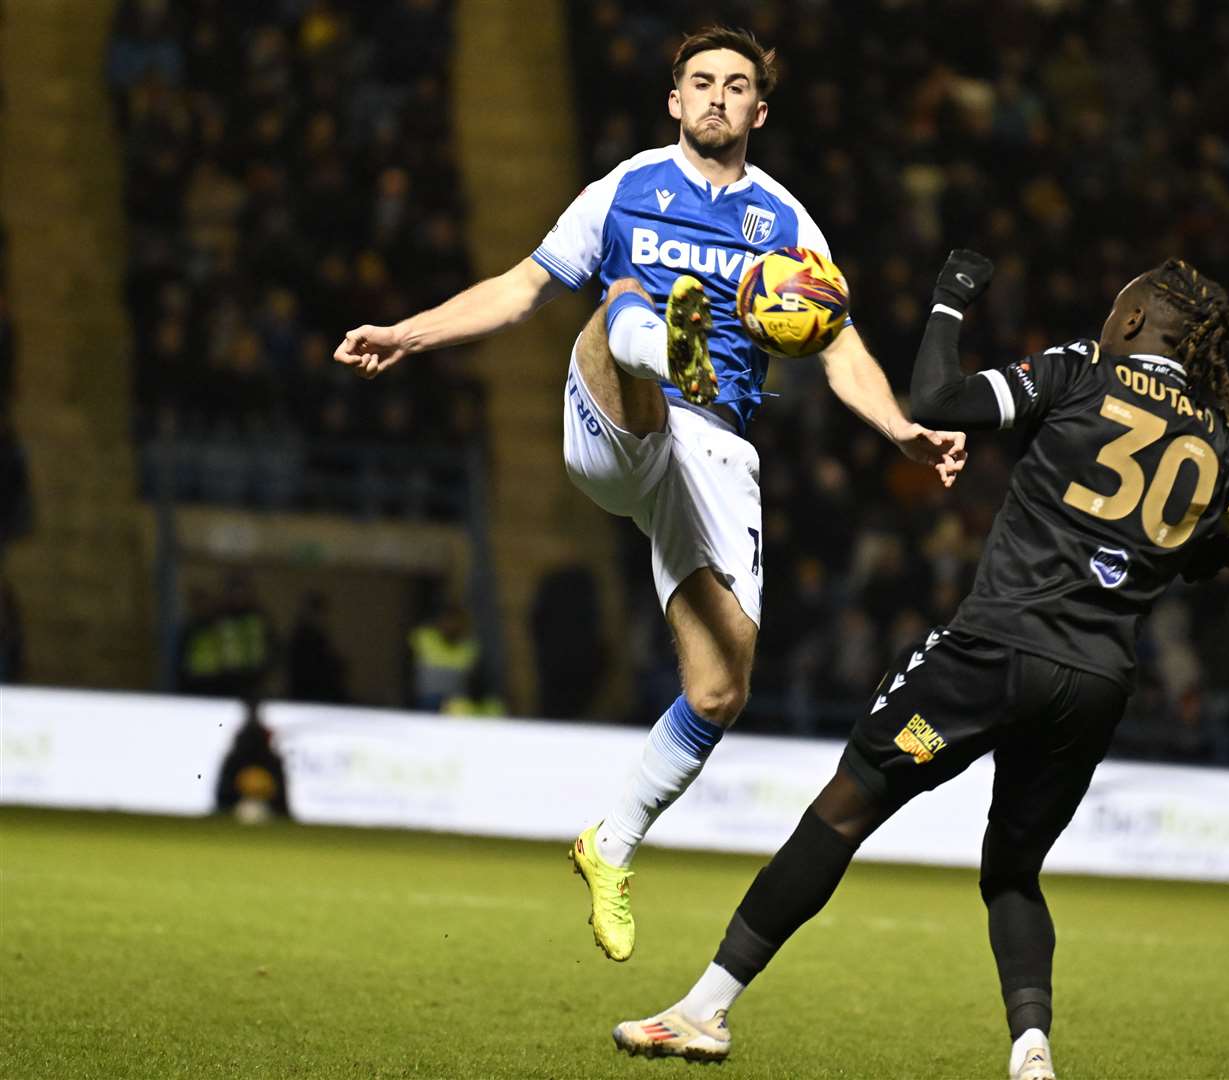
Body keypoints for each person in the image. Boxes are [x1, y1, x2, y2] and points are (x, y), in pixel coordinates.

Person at [332, 25, 966, 961]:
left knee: (719, 690)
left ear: (759, 109)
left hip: (714, 457)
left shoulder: (788, 225)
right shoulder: (625, 189)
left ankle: (609, 842)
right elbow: (517, 290)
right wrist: (408, 333)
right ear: (674, 100)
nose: (716, 96)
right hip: (616, 418)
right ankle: (661, 342)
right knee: (614, 303)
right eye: (700, 82)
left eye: (735, 85)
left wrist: (902, 429)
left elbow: (838, 348)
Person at [610, 251, 1229, 1079]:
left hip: (990, 652)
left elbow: (937, 401)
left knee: (841, 813)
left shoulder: (1082, 371)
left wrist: (945, 303)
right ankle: (1031, 1053)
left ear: (1129, 322)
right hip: (1092, 685)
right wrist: (1194, 553)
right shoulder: (1224, 446)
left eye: (1112, 308)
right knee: (1013, 873)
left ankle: (702, 1012)